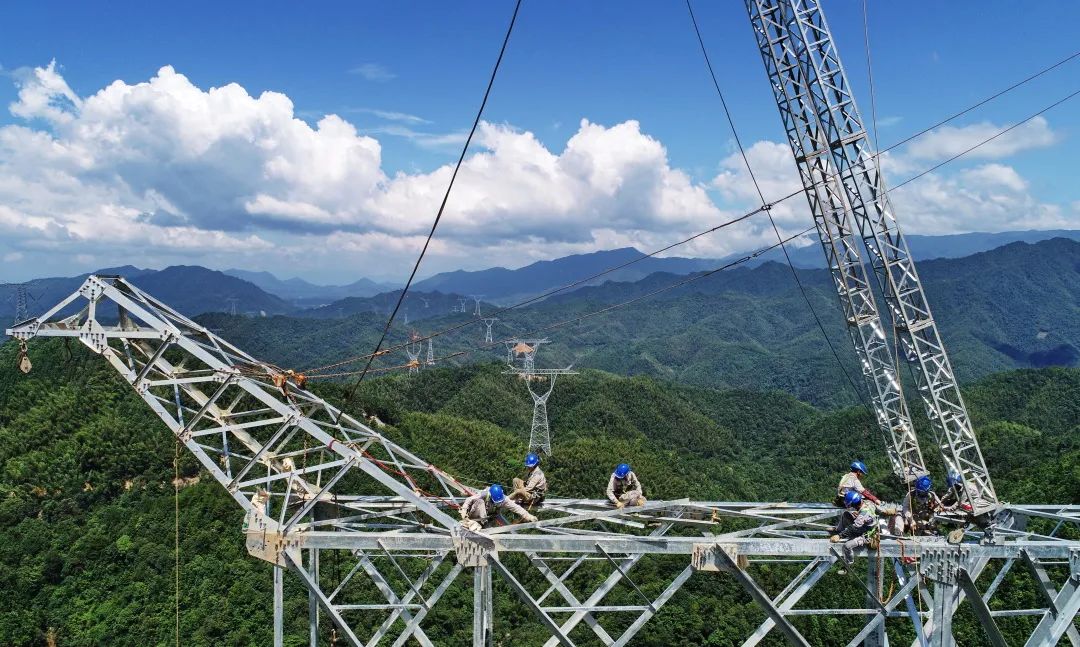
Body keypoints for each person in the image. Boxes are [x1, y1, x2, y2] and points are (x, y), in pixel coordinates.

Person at [830, 491, 879, 569]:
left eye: (851, 505)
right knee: (846, 514)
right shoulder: (868, 503)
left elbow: (854, 528)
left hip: (866, 535)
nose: (851, 506)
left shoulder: (863, 515)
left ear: (854, 504)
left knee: (847, 546)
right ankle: (838, 529)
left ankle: (848, 563)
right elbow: (875, 509)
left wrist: (840, 536)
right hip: (863, 526)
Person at [459, 484, 537, 531]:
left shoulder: (503, 499)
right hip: (476, 514)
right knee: (480, 502)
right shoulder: (484, 494)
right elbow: (469, 499)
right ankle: (483, 524)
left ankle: (484, 524)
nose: (498, 503)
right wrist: (464, 510)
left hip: (488, 516)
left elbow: (516, 508)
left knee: (492, 512)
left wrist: (528, 516)